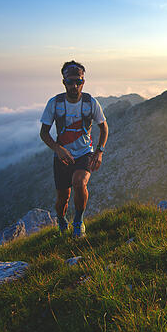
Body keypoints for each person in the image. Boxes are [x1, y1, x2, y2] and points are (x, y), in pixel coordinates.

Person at [39, 61, 108, 238]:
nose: (74, 85)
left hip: (85, 152)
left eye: (78, 81)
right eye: (70, 82)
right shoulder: (55, 103)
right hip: (62, 156)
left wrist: (99, 152)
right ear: (64, 82)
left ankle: (78, 221)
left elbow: (104, 127)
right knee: (63, 198)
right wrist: (58, 149)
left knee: (79, 183)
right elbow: (44, 133)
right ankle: (62, 220)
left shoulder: (90, 102)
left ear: (83, 81)